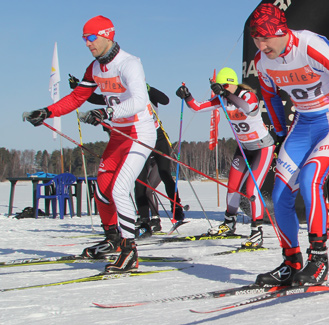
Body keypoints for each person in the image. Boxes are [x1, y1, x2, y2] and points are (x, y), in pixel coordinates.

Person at [250, 3, 329, 287]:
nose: (261, 45)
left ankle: (318, 260)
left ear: (280, 31)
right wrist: (279, 134)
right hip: (303, 124)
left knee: (310, 180)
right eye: (256, 39)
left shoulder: (310, 45)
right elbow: (270, 97)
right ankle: (291, 262)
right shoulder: (263, 61)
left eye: (265, 37)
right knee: (279, 195)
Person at [23, 15, 154, 273]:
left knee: (119, 190)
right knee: (103, 190)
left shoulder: (129, 63)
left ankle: (130, 252)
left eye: (91, 38)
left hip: (139, 132)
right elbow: (76, 98)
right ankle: (113, 239)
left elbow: (140, 100)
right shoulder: (94, 68)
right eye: (85, 38)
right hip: (118, 135)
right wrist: (47, 112)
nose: (87, 43)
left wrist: (107, 113)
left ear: (107, 35)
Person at [69, 74, 183, 237]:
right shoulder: (120, 97)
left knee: (165, 173)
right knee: (140, 182)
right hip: (138, 138)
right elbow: (96, 99)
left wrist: (147, 87)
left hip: (157, 137)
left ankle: (176, 209)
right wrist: (78, 88)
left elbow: (164, 100)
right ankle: (144, 221)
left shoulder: (143, 92)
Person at [176, 67, 273, 248]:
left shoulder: (247, 96)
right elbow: (197, 107)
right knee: (232, 187)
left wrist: (227, 95)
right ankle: (229, 224)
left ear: (230, 84)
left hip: (262, 148)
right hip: (243, 149)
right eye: (218, 87)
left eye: (223, 86)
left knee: (251, 190)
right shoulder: (222, 98)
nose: (220, 90)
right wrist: (187, 95)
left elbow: (249, 109)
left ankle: (257, 231)